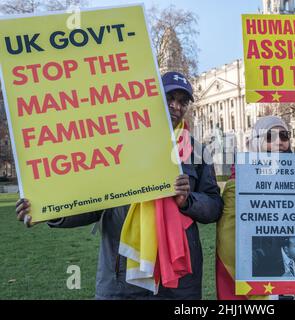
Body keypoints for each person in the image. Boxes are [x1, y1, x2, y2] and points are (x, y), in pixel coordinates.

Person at [15, 71, 224, 300]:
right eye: (169, 98)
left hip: (178, 281)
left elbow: (214, 205)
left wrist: (188, 201)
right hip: (121, 277)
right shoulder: (119, 144)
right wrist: (49, 210)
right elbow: (93, 200)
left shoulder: (197, 152)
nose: (176, 106)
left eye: (182, 101)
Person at [216, 115, 295, 300]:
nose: (279, 143)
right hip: (263, 288)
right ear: (255, 142)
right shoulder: (237, 185)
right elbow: (230, 245)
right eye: (269, 137)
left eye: (284, 136)